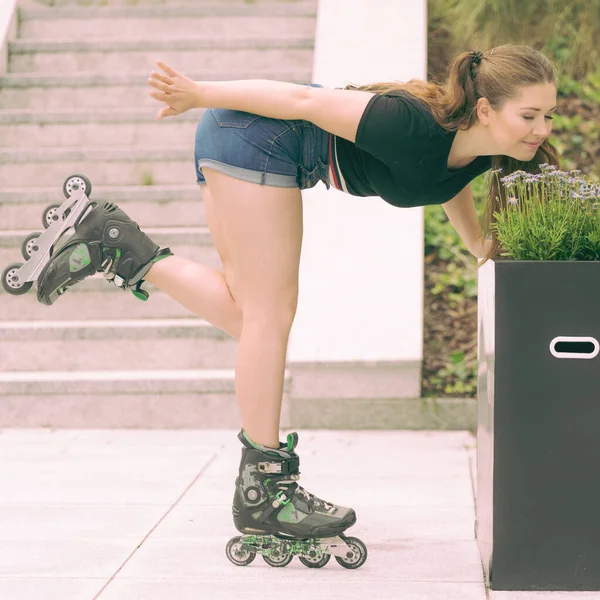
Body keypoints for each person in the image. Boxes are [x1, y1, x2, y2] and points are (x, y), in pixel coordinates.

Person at [34, 43, 560, 563]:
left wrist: (480, 246)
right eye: (530, 115)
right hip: (257, 135)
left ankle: (118, 246)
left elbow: (445, 180)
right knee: (270, 315)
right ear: (486, 110)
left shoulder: (480, 152)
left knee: (248, 316)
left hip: (245, 138)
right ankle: (267, 491)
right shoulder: (409, 122)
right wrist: (199, 93)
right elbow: (301, 100)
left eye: (549, 116)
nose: (542, 129)